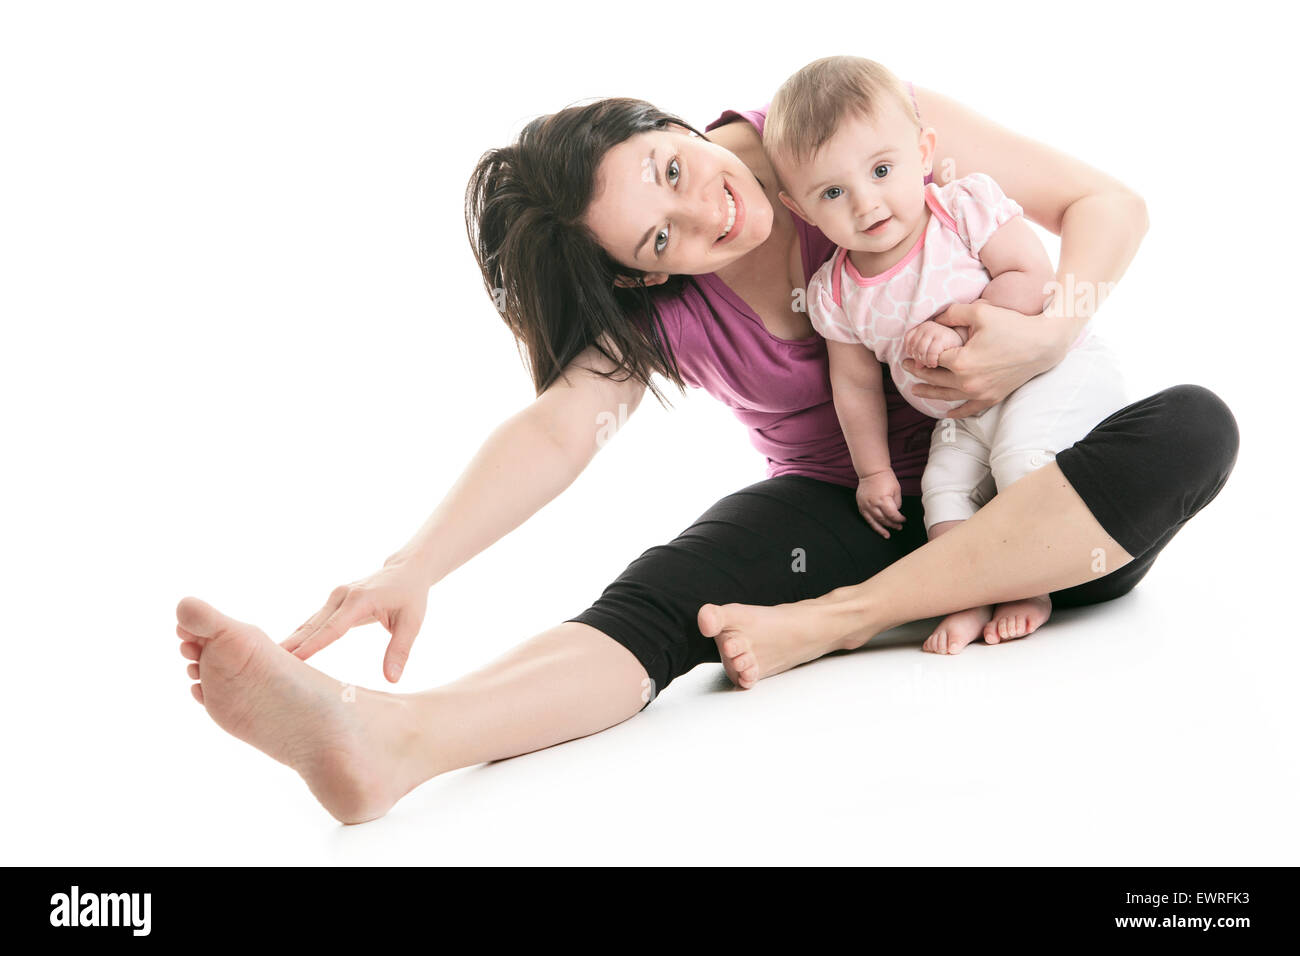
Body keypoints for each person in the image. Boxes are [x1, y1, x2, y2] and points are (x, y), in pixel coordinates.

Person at [175, 81, 1238, 823]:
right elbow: (557, 427)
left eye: (670, 167)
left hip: (1043, 505)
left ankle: (839, 621)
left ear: (670, 121)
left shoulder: (841, 118)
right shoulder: (658, 310)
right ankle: (394, 740)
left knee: (1193, 426)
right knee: (661, 594)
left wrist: (1049, 328)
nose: (704, 214)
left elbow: (1107, 203)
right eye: (658, 238)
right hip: (848, 508)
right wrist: (413, 563)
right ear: (639, 276)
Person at [763, 56, 1127, 654]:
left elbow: (1031, 273)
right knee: (943, 496)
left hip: (1049, 375)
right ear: (802, 209)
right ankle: (969, 591)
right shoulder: (834, 291)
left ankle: (1035, 583)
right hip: (960, 418)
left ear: (924, 151)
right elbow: (853, 388)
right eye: (833, 192)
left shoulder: (960, 210)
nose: (866, 203)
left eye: (882, 169)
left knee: (1021, 461)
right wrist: (874, 472)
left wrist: (959, 334)